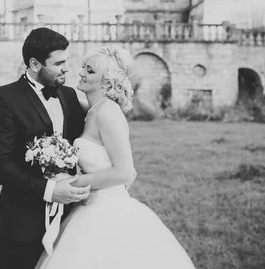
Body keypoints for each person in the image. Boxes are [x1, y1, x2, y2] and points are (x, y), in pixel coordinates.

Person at [35, 46, 197, 269]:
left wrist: (69, 183)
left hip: (108, 210)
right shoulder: (92, 110)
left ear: (107, 81)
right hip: (88, 207)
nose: (81, 73)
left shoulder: (108, 113)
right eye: (83, 67)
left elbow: (125, 172)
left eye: (89, 70)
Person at [0, 27, 91, 269]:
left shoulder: (70, 95)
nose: (66, 68)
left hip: (69, 220)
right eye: (59, 63)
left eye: (67, 61)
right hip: (21, 224)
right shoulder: (3, 98)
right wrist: (50, 190)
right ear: (34, 64)